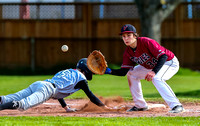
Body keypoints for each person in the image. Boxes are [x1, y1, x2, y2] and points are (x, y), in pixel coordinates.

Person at [105, 24, 184, 113]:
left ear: (135, 36)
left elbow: (163, 57)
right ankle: (140, 105)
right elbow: (123, 72)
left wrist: (154, 72)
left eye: (128, 35)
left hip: (169, 62)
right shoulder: (128, 52)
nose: (126, 38)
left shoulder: (146, 42)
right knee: (131, 74)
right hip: (152, 66)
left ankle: (177, 105)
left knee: (157, 78)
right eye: (123, 36)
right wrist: (107, 71)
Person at [0, 58, 111, 112]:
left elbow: (59, 91)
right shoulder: (81, 78)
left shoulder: (69, 71)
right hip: (47, 89)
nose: (91, 72)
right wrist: (104, 107)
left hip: (39, 84)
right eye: (90, 69)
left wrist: (66, 108)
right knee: (23, 104)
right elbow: (91, 95)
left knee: (9, 98)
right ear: (86, 69)